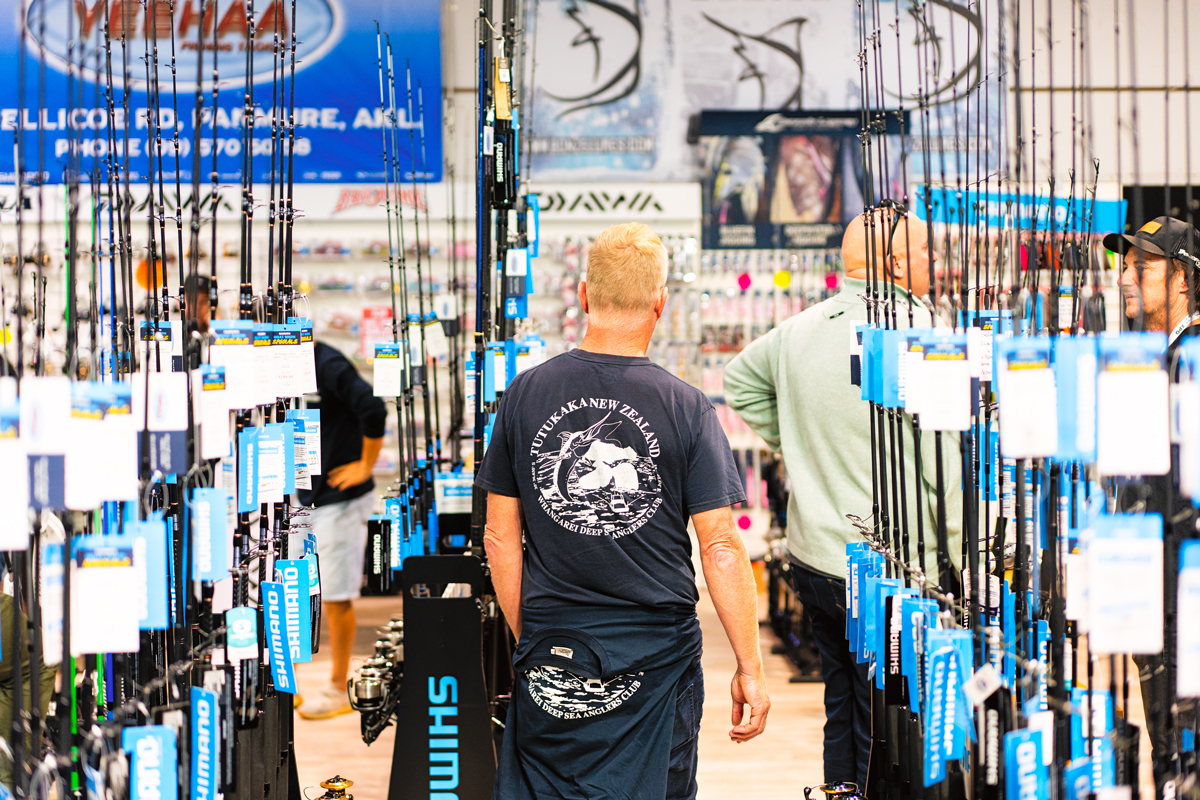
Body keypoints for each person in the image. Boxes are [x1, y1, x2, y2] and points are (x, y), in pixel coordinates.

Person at [477, 222, 770, 800]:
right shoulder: (687, 406)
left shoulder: (525, 393)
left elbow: (499, 538)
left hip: (555, 644)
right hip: (659, 656)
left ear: (584, 295)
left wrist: (529, 637)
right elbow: (720, 547)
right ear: (661, 303)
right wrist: (750, 669)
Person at [723, 207, 962, 790]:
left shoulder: (799, 329)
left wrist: (798, 444)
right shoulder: (927, 338)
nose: (936, 263)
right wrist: (965, 565)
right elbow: (947, 470)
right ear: (897, 263)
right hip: (896, 577)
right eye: (928, 253)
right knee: (903, 726)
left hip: (816, 565)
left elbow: (738, 380)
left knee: (846, 709)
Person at [1104, 215, 1200, 797]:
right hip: (1149, 581)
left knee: (1184, 740)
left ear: (1184, 279)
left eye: (1143, 266)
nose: (1125, 279)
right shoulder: (1151, 355)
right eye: (1124, 265)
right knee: (1164, 737)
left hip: (1179, 589)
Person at [295, 341, 386, 720]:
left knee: (335, 594)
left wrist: (365, 465)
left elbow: (373, 407)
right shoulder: (272, 362)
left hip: (340, 500)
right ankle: (290, 681)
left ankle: (337, 686)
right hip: (301, 498)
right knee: (294, 592)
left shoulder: (326, 362)